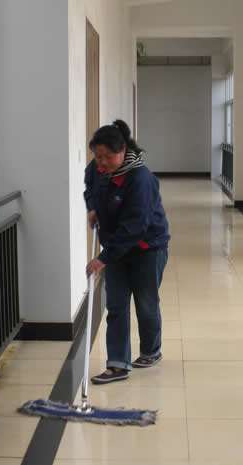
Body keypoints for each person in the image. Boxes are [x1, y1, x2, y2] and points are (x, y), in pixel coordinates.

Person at [84, 119, 170, 385]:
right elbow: (90, 186)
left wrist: (102, 258)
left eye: (107, 157)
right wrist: (92, 207)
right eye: (97, 156)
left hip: (147, 247)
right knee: (116, 304)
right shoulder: (97, 168)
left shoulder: (140, 178)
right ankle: (117, 364)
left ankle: (151, 350)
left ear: (122, 151)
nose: (101, 163)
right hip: (116, 248)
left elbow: (135, 226)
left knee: (146, 303)